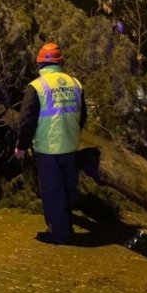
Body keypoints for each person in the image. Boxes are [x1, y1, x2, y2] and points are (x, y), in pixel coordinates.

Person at [14, 42, 87, 245]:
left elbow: (27, 120)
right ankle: (66, 226)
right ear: (60, 62)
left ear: (39, 64)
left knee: (52, 191)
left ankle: (59, 233)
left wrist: (21, 146)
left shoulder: (37, 87)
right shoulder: (75, 84)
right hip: (70, 146)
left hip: (48, 148)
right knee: (67, 189)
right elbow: (82, 115)